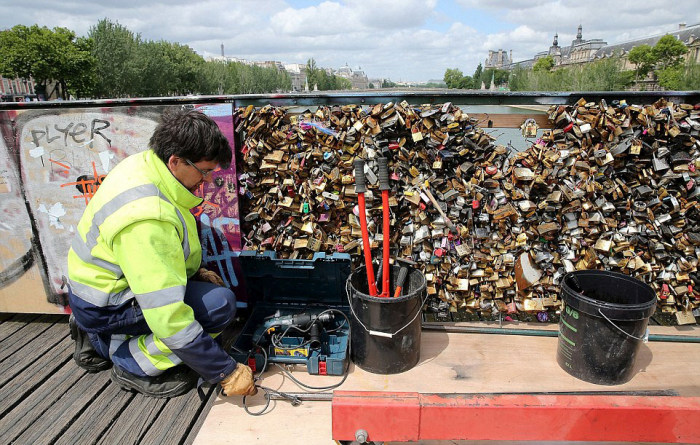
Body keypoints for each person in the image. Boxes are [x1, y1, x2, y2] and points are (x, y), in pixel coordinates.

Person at [67, 108, 256, 398]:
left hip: (101, 289)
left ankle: (96, 336)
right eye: (204, 171)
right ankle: (130, 362)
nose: (206, 180)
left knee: (206, 293)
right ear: (175, 161)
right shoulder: (147, 218)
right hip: (107, 302)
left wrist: (195, 272)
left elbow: (162, 253)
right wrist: (225, 371)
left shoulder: (145, 165)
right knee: (218, 307)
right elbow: (168, 316)